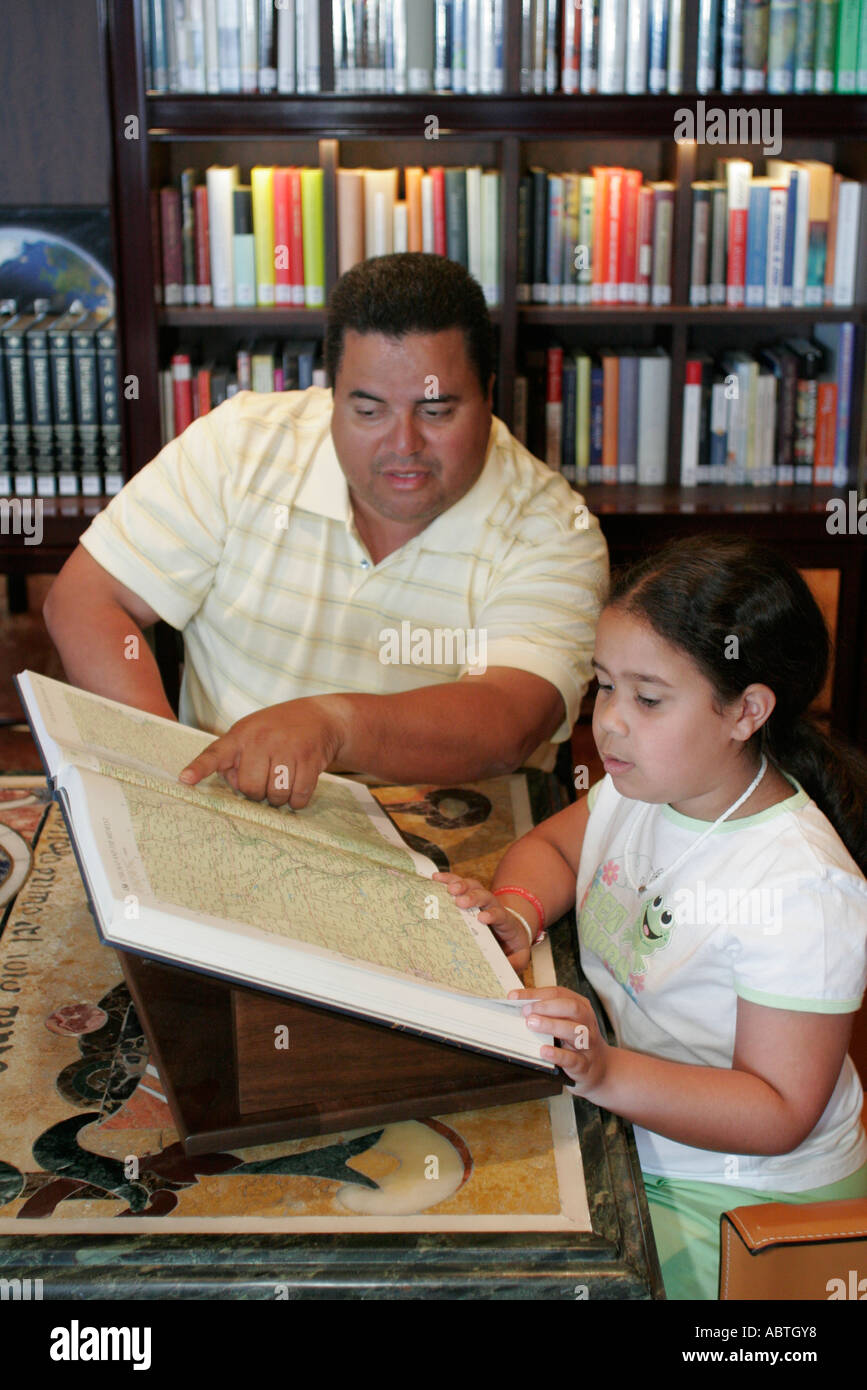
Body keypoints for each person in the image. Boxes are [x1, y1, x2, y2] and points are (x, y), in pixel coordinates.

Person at [436, 534, 867, 1300]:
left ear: (745, 711)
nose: (607, 723)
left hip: (736, 1203)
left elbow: (776, 1111)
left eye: (647, 698)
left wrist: (604, 1069)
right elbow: (556, 851)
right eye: (603, 686)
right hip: (633, 1132)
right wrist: (515, 911)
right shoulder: (653, 788)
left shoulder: (802, 888)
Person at [43, 253, 607, 807]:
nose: (403, 444)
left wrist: (331, 724)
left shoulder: (554, 528)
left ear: (488, 394)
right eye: (368, 411)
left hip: (451, 836)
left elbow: (506, 721)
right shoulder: (240, 444)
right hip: (233, 808)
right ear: (332, 393)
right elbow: (87, 597)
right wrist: (170, 775)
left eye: (435, 412)